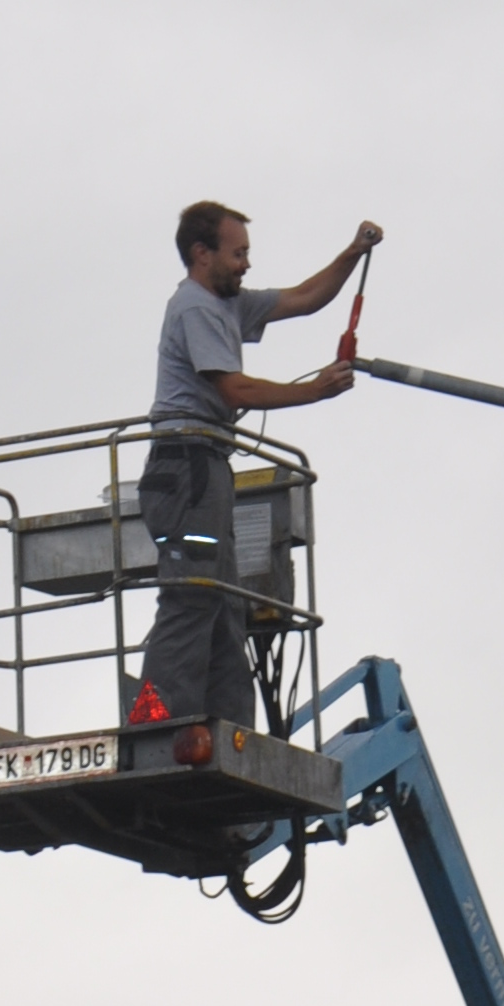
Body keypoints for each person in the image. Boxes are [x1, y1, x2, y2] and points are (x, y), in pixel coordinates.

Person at [133, 201, 382, 729]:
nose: (246, 264)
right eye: (238, 253)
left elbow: (304, 298)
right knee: (192, 594)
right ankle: (154, 724)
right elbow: (235, 389)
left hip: (204, 470)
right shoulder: (196, 308)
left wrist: (353, 252)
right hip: (186, 470)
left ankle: (230, 733)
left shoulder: (228, 304)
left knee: (225, 604)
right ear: (202, 254)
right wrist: (314, 391)